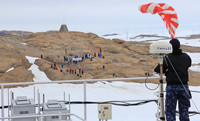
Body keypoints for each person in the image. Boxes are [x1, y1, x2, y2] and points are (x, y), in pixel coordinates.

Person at [154, 38, 191, 121]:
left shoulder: (167, 58)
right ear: (179, 46)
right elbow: (188, 64)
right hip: (184, 87)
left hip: (172, 87)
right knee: (184, 110)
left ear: (169, 47)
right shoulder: (186, 56)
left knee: (170, 110)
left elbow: (158, 70)